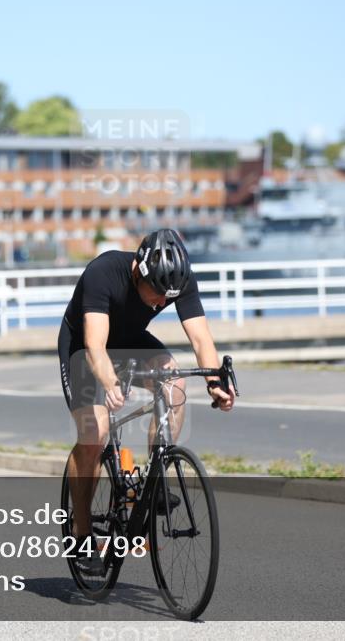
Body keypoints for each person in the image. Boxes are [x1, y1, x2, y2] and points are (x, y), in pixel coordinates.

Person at [58, 229, 234, 576]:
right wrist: (109, 383)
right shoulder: (103, 272)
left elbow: (201, 338)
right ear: (139, 269)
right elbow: (95, 346)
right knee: (95, 432)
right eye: (155, 295)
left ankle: (154, 478)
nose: (159, 304)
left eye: (165, 299)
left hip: (130, 340)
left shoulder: (177, 278)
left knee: (175, 382)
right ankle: (80, 537)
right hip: (83, 347)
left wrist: (215, 382)